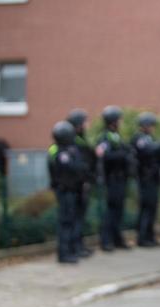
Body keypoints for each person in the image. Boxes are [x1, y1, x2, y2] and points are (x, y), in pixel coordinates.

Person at [47, 121, 87, 263]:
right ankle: (64, 254)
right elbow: (74, 167)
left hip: (71, 190)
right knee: (66, 222)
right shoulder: (60, 152)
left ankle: (71, 249)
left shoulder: (64, 149)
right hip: (65, 191)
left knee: (71, 220)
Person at [97, 105, 133, 251]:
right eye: (119, 120)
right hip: (111, 180)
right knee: (111, 211)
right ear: (113, 121)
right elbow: (105, 156)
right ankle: (106, 241)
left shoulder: (116, 137)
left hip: (120, 179)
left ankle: (117, 239)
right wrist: (123, 155)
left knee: (119, 211)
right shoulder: (104, 138)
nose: (120, 122)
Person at [66, 109, 95, 257]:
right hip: (78, 185)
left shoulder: (80, 140)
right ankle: (75, 246)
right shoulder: (75, 143)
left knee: (80, 217)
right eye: (84, 122)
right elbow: (82, 165)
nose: (87, 125)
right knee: (76, 217)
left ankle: (79, 244)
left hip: (82, 184)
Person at [132, 112, 160, 247]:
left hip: (153, 179)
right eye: (150, 125)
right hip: (145, 179)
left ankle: (150, 236)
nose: (152, 128)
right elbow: (148, 151)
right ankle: (142, 237)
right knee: (146, 208)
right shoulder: (140, 138)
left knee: (152, 208)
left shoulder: (150, 137)